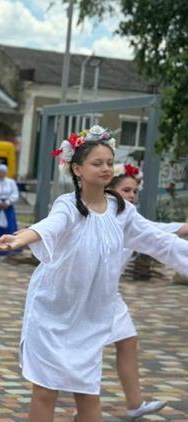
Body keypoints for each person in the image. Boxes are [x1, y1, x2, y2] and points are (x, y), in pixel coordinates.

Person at [0, 126, 188, 421]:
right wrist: (21, 238)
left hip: (90, 316)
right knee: (45, 391)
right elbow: (51, 225)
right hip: (51, 312)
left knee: (88, 393)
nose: (106, 168)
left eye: (109, 162)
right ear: (77, 168)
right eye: (97, 163)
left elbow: (161, 241)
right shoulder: (68, 205)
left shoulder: (121, 210)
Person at [94, 163, 187, 420]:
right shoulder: (96, 214)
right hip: (86, 297)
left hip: (110, 296)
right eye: (126, 190)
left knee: (127, 341)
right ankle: (84, 411)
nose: (132, 196)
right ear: (110, 189)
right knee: (82, 355)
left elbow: (163, 232)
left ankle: (135, 403)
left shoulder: (131, 218)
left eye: (135, 191)